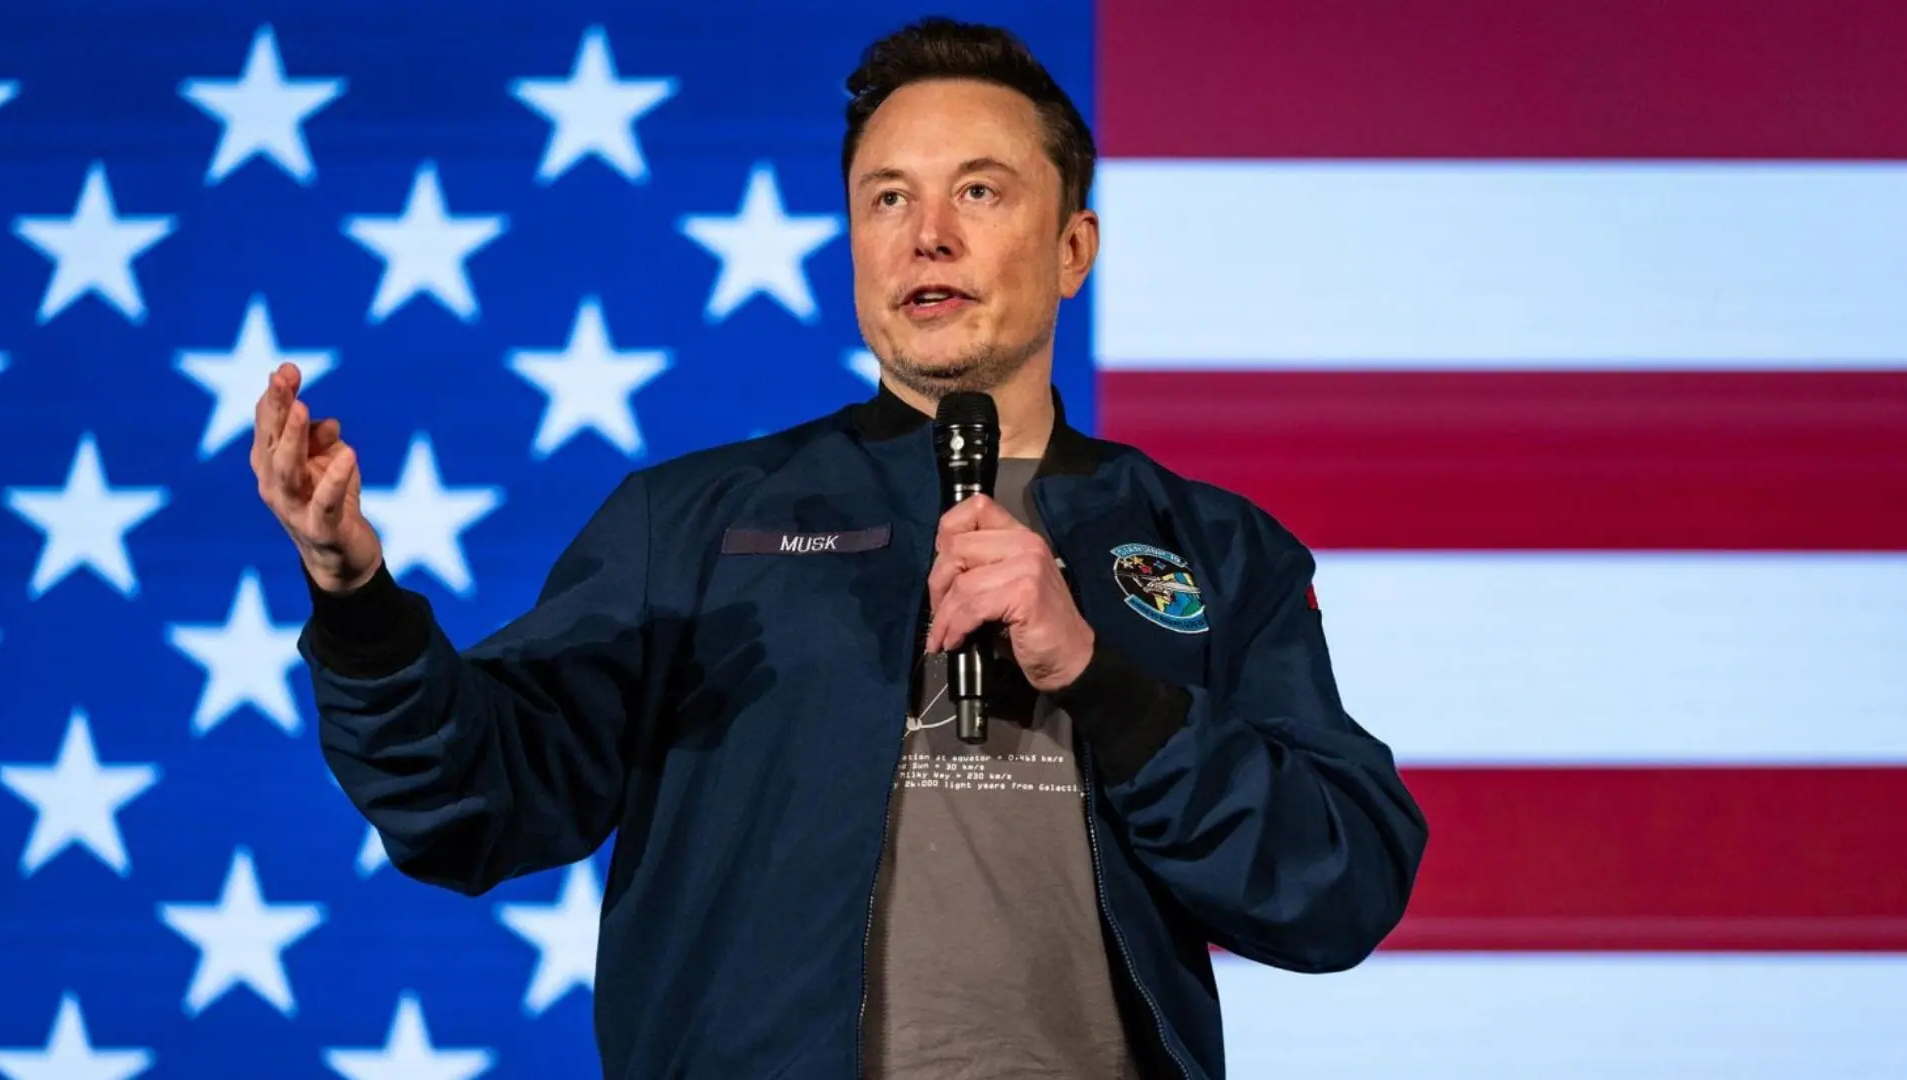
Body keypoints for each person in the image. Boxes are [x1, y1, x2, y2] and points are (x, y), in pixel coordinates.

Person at [251, 16, 1428, 1080]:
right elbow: (469, 803)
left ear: (1074, 248)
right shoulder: (693, 524)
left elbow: (1339, 888)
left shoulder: (1213, 549)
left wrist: (1100, 679)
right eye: (887, 199)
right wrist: (356, 596)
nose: (927, 238)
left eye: (979, 192)